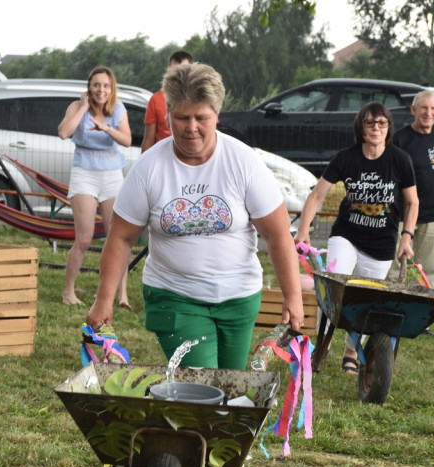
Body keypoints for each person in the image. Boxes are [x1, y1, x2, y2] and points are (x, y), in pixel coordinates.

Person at [85, 62, 303, 370]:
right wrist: (104, 299)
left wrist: (292, 296)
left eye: (201, 117)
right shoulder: (149, 168)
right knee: (202, 383)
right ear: (169, 114)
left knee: (231, 385)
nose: (192, 127)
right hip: (175, 297)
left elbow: (278, 234)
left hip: (239, 298)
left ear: (216, 115)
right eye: (182, 117)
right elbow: (121, 238)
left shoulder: (243, 162)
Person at [295, 102, 418, 375]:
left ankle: (351, 351)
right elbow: (317, 196)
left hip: (382, 244)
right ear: (360, 128)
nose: (376, 128)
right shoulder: (346, 158)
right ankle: (323, 341)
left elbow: (412, 203)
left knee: (366, 300)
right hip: (346, 235)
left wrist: (406, 238)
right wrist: (303, 231)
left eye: (381, 123)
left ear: (388, 129)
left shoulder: (400, 160)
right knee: (335, 283)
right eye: (370, 123)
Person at [57, 65, 131, 308]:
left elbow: (127, 140)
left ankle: (121, 296)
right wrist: (84, 108)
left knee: (117, 237)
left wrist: (107, 128)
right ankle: (69, 292)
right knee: (85, 239)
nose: (101, 90)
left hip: (112, 175)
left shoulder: (118, 109)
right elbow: (64, 132)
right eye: (97, 85)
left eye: (106, 86)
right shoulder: (77, 107)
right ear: (89, 87)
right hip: (85, 174)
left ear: (112, 89)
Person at [388, 89, 434, 301]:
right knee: (396, 267)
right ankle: (390, 308)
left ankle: (421, 315)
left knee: (427, 270)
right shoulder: (400, 139)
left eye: (433, 108)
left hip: (433, 215)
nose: (428, 113)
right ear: (414, 109)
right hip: (402, 215)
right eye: (424, 108)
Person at [141, 50, 192, 153]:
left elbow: (210, 133)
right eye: (174, 69)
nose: (179, 73)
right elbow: (148, 140)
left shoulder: (200, 98)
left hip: (193, 159)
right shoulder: (156, 99)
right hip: (164, 158)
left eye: (183, 69)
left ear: (191, 70)